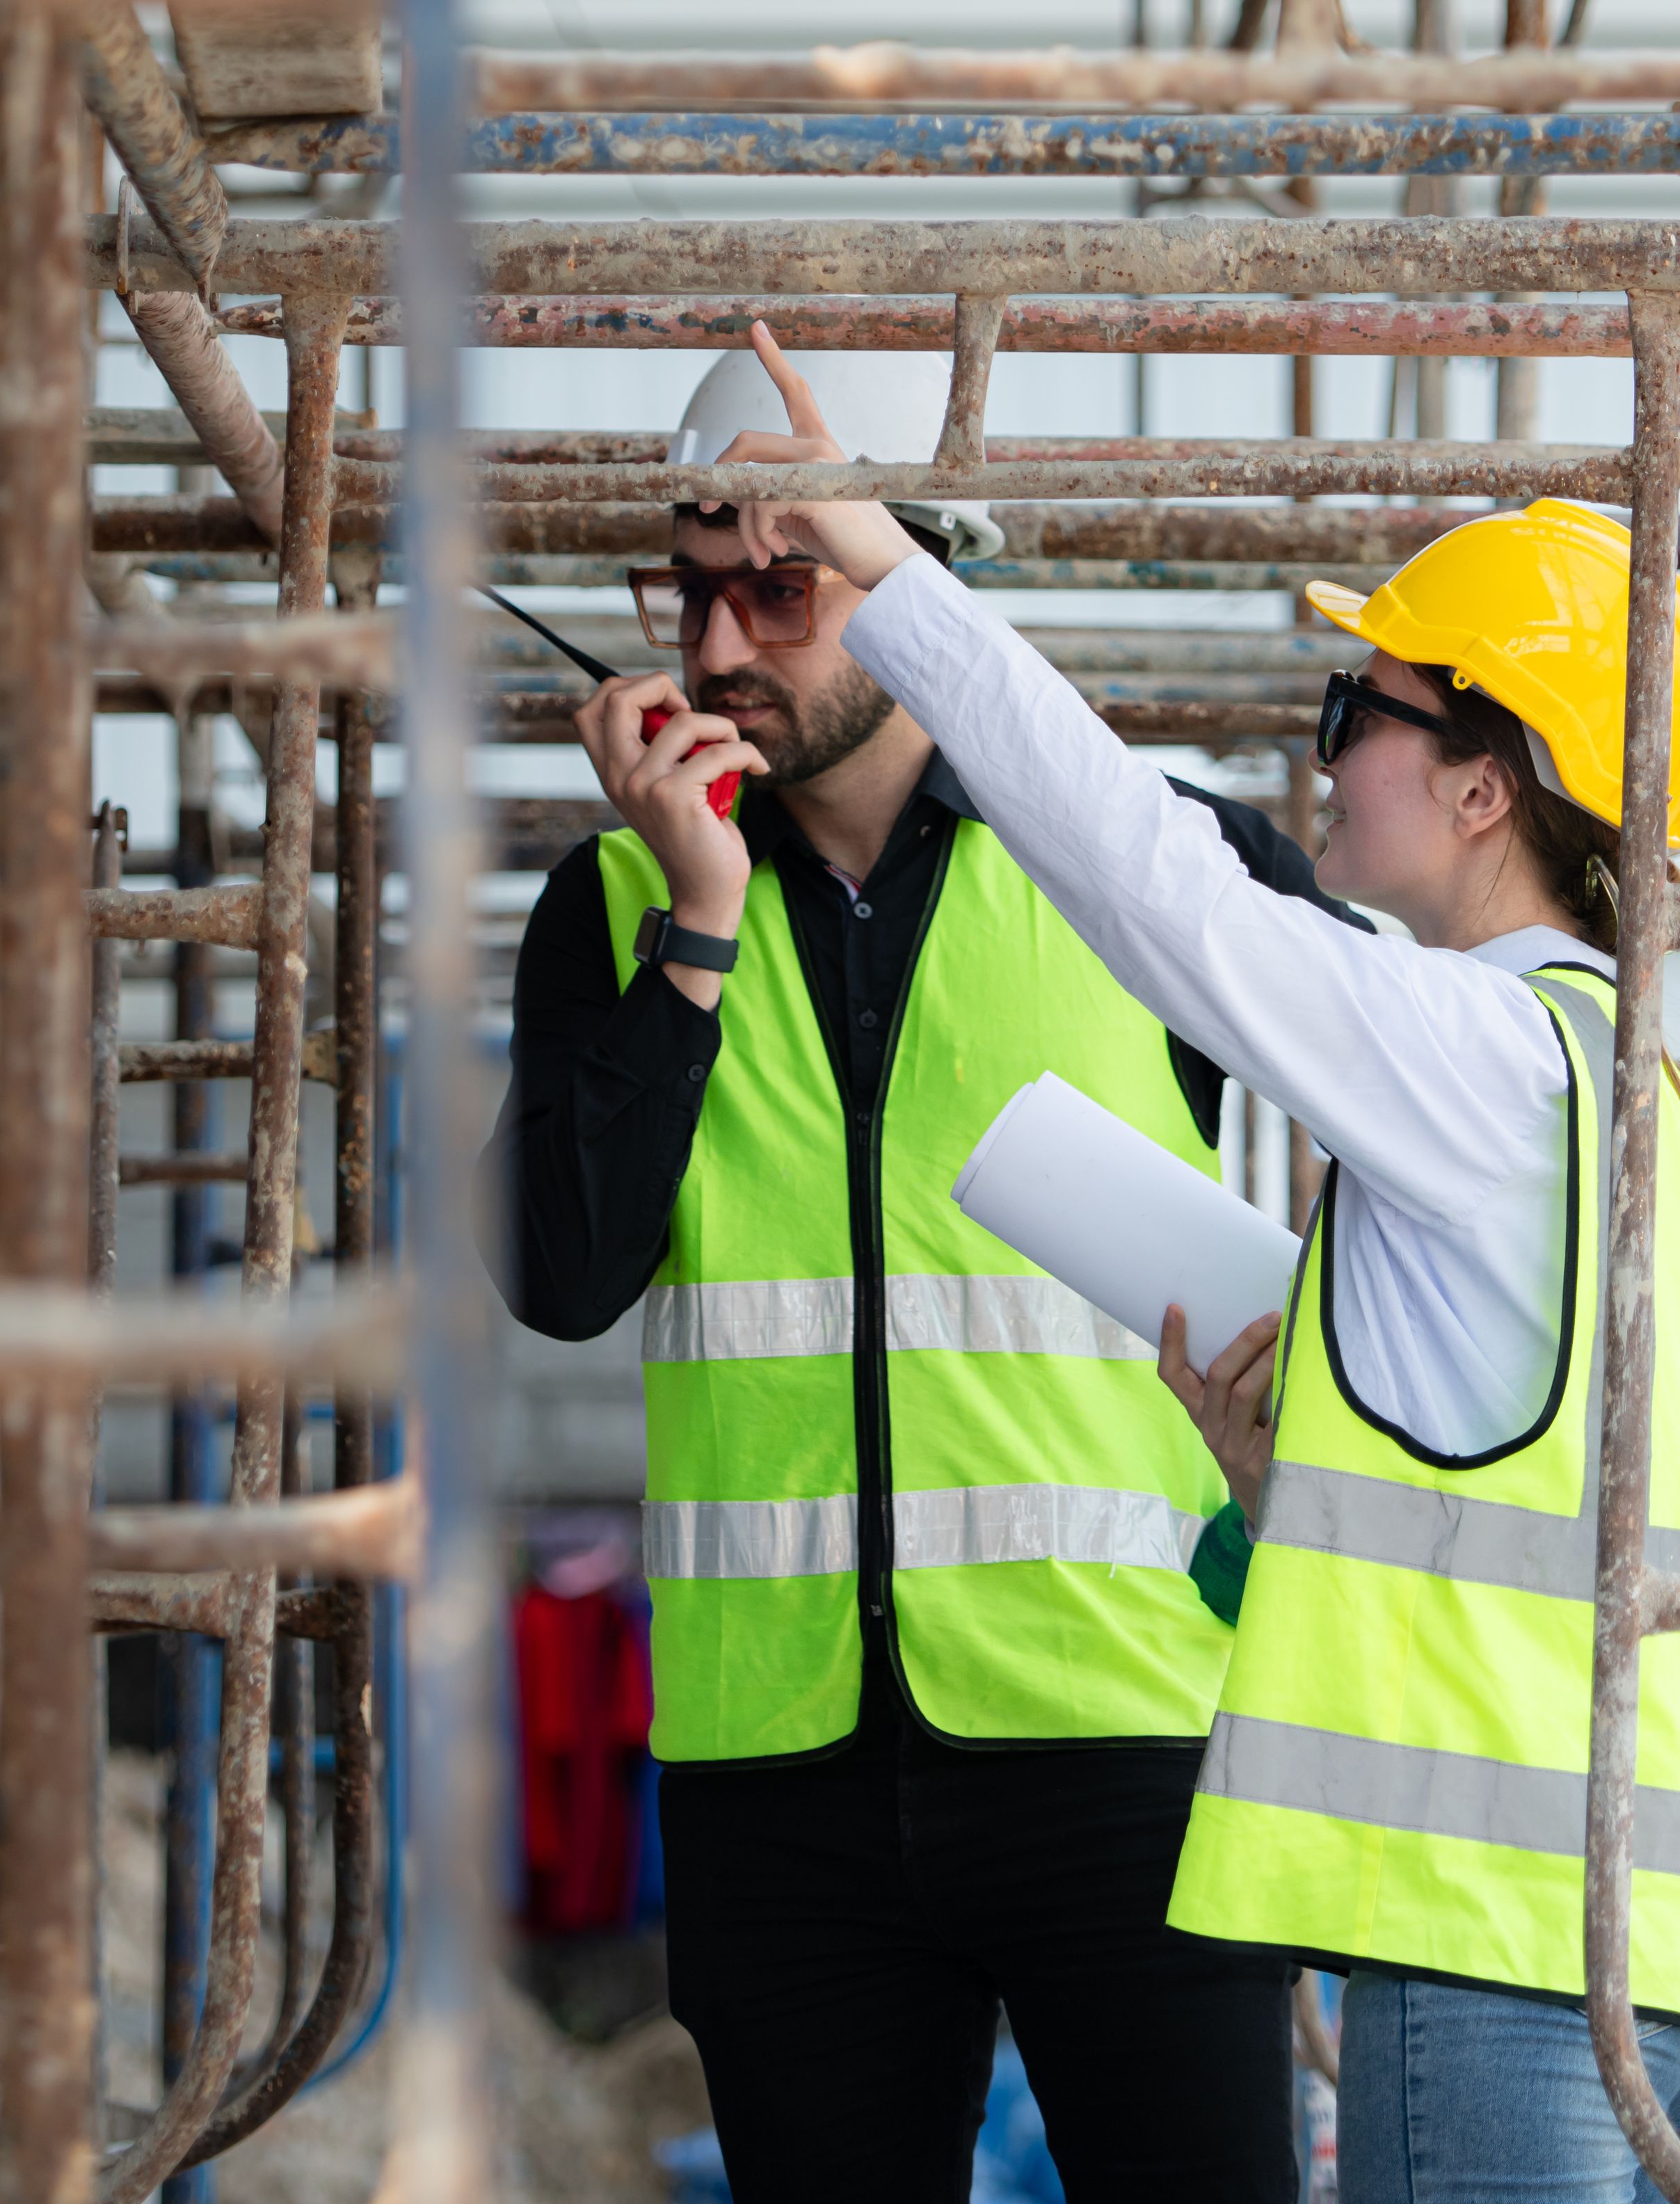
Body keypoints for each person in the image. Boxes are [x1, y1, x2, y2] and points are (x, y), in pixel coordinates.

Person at [714, 330, 1680, 2204]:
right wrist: (1283, 1484)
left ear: (1485, 787)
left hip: (1507, 1932)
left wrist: (884, 572)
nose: (1322, 759)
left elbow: (1166, 896)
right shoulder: (1604, 1092)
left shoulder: (1477, 1049)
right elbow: (1542, 1511)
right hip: (1630, 1935)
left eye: (1353, 716)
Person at [484, 342, 1352, 2204]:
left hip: (1123, 1740)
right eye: (689, 588)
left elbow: (1454, 1140)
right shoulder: (620, 904)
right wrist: (695, 939)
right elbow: (560, 1280)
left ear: (917, 575)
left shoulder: (1166, 869)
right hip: (771, 1780)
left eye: (778, 583)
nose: (720, 647)